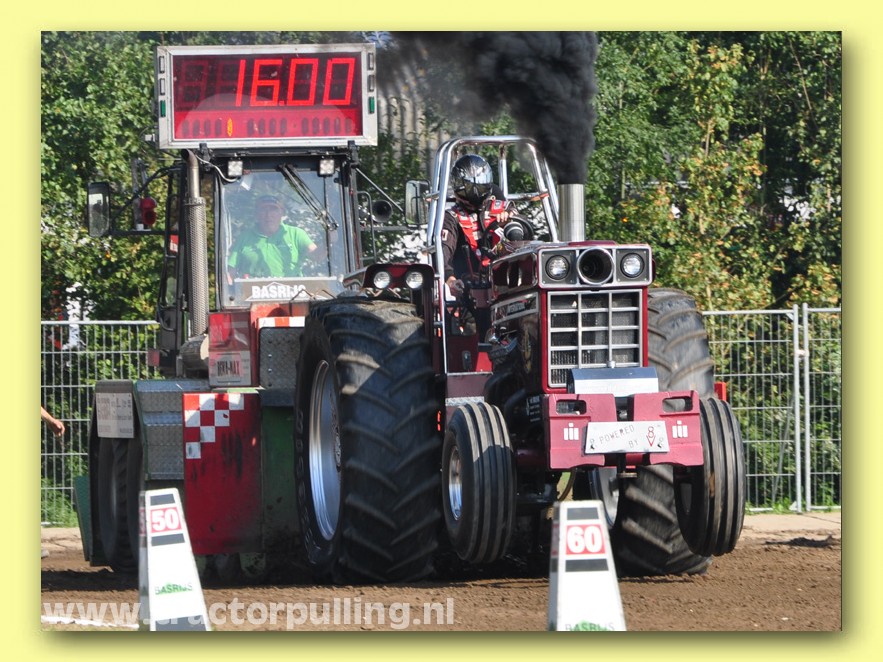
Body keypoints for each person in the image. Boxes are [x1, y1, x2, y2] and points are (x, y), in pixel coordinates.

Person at [440, 154, 526, 298]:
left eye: (479, 186)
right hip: (471, 287)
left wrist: (508, 221)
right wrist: (450, 279)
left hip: (510, 279)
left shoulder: (504, 208)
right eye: (469, 187)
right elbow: (443, 251)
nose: (475, 191)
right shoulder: (451, 217)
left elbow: (526, 232)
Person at [228, 195, 318, 279]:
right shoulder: (244, 237)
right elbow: (230, 271)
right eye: (263, 210)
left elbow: (316, 255)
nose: (268, 214)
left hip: (293, 290)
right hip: (252, 290)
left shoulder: (296, 234)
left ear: (282, 213)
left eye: (273, 209)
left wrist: (327, 240)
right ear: (256, 214)